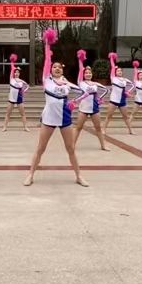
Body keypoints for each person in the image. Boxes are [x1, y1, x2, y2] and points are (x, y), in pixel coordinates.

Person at [24, 29, 90, 187]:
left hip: (65, 118)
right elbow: (47, 59)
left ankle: (79, 176)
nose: (57, 69)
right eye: (55, 67)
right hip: (49, 118)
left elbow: (84, 92)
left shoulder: (66, 82)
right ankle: (30, 175)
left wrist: (74, 102)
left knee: (71, 149)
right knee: (41, 148)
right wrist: (47, 44)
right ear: (51, 70)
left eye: (60, 67)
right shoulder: (47, 80)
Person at [73, 49, 110, 151]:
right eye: (86, 73)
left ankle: (103, 145)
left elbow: (106, 90)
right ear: (83, 74)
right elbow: (81, 69)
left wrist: (99, 99)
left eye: (90, 73)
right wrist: (80, 60)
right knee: (78, 127)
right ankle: (72, 145)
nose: (88, 74)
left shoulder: (95, 84)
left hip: (94, 108)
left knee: (98, 128)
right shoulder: (81, 83)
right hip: (83, 108)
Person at [103, 52, 136, 135]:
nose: (119, 72)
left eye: (121, 71)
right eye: (118, 71)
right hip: (113, 100)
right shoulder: (113, 78)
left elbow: (133, 85)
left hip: (122, 100)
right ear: (115, 72)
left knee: (125, 117)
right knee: (109, 116)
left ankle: (130, 130)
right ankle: (103, 129)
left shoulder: (125, 80)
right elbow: (112, 66)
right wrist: (111, 58)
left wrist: (128, 92)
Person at [2, 53, 30, 132]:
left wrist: (23, 91)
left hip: (19, 98)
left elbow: (27, 86)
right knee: (8, 113)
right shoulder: (11, 79)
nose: (16, 73)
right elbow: (12, 68)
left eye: (18, 72)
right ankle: (4, 127)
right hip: (11, 98)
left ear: (19, 73)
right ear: (13, 73)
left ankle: (25, 127)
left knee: (23, 114)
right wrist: (12, 62)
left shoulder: (21, 81)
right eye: (15, 72)